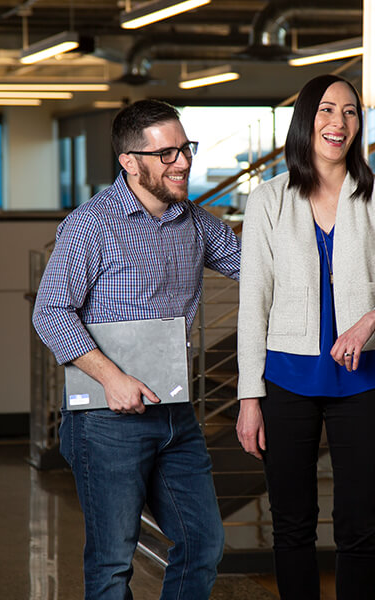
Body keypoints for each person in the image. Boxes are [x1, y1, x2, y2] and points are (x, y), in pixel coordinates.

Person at [235, 74, 375, 599]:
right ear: (306, 120)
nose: (339, 122)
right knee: (292, 526)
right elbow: (252, 303)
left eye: (351, 112)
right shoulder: (269, 200)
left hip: (365, 382)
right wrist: (248, 398)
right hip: (286, 380)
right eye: (327, 110)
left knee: (357, 532)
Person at [32, 99, 240, 600]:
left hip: (175, 412)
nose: (184, 162)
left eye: (185, 148)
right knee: (111, 565)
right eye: (167, 153)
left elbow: (253, 269)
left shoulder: (194, 221)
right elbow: (51, 313)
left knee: (203, 543)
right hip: (107, 421)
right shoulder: (91, 226)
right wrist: (112, 378)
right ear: (130, 161)